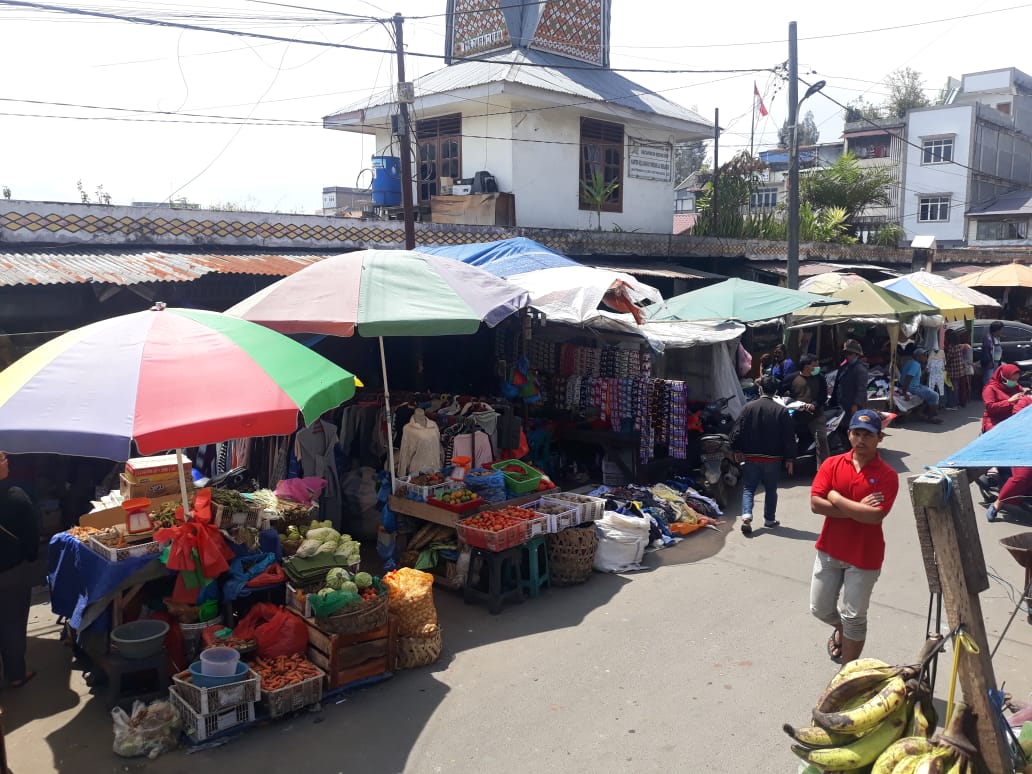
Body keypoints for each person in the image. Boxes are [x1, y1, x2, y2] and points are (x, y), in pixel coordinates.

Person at [809, 410, 899, 665]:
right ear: (848, 435)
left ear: (879, 438)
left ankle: (847, 673)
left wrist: (836, 498)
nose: (861, 439)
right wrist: (856, 507)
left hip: (864, 556)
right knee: (820, 608)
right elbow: (816, 504)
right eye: (856, 433)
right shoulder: (832, 464)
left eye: (868, 435)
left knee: (855, 616)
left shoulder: (887, 475)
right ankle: (841, 629)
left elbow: (874, 517)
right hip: (829, 549)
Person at [729, 376, 796, 536]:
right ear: (776, 391)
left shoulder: (748, 408)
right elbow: (789, 437)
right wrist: (790, 459)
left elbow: (737, 431)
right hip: (773, 458)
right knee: (771, 489)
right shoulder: (781, 411)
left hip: (751, 457)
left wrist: (737, 450)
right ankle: (769, 519)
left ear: (760, 389)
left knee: (749, 488)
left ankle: (746, 516)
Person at [0, 451, 39, 688]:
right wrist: (31, 558)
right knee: (13, 622)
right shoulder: (15, 496)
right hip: (12, 571)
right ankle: (16, 674)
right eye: (1, 458)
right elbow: (32, 537)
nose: (7, 459)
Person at [785, 353, 831, 464]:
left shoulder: (820, 378)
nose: (818, 367)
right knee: (785, 435)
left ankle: (824, 468)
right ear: (806, 366)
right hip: (796, 415)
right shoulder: (791, 378)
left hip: (815, 415)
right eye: (815, 365)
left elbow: (823, 396)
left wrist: (814, 404)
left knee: (821, 439)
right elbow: (780, 392)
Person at [829, 339, 869, 451]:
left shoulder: (860, 369)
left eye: (850, 354)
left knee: (853, 429)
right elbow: (837, 384)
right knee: (841, 428)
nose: (847, 356)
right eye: (846, 353)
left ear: (856, 355)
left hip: (852, 405)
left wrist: (855, 405)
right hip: (842, 403)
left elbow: (861, 389)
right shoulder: (844, 366)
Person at [897, 347, 943, 424]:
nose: (926, 357)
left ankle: (921, 413)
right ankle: (932, 417)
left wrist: (925, 371)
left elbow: (915, 376)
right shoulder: (915, 364)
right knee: (935, 395)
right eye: (924, 355)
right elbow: (908, 378)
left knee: (929, 391)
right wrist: (904, 393)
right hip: (912, 388)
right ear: (918, 357)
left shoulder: (911, 362)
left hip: (914, 385)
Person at [943, 328, 968, 409]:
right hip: (959, 370)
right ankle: (956, 403)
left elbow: (948, 359)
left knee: (953, 388)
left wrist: (945, 366)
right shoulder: (958, 346)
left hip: (953, 370)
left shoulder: (951, 347)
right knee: (956, 387)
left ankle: (953, 404)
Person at [981, 321, 1004, 387]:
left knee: (993, 380)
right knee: (988, 380)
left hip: (995, 363)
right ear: (996, 330)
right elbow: (986, 351)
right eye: (1001, 330)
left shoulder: (995, 337)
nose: (1002, 331)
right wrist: (989, 362)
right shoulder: (988, 338)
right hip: (990, 364)